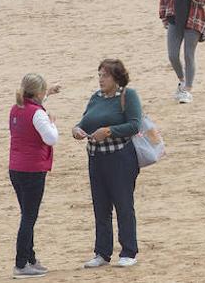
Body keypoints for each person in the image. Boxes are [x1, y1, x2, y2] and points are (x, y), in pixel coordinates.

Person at [73, 59, 142, 269]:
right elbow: (84, 121)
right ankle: (102, 252)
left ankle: (128, 251)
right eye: (100, 75)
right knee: (100, 206)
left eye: (105, 75)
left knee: (123, 204)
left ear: (116, 77)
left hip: (120, 158)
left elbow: (134, 124)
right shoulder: (96, 97)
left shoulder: (127, 95)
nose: (101, 79)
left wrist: (110, 131)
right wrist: (76, 129)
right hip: (95, 158)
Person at [8, 73, 61, 279]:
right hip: (32, 170)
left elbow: (33, 107)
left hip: (16, 168)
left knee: (26, 216)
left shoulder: (16, 108)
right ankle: (21, 264)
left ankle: (30, 258)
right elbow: (51, 138)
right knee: (29, 218)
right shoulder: (38, 114)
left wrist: (48, 93)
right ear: (38, 92)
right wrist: (53, 122)